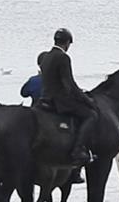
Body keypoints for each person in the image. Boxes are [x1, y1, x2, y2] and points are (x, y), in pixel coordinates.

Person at [40, 28, 98, 165]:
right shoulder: (63, 57)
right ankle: (78, 149)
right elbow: (69, 84)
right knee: (91, 115)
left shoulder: (45, 56)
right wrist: (86, 99)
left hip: (45, 98)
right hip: (60, 101)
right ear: (67, 43)